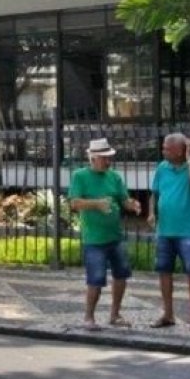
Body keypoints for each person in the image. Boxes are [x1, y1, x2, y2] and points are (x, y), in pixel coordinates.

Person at [68, 137, 142, 330]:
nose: (108, 162)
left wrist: (132, 204)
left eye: (109, 158)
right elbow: (74, 203)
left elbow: (123, 199)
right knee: (96, 279)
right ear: (93, 158)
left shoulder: (114, 177)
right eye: (104, 158)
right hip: (94, 238)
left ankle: (115, 314)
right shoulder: (80, 176)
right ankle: (88, 317)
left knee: (121, 275)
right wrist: (97, 204)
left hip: (115, 236)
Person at [148, 132, 190, 331]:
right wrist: (151, 213)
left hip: (188, 231)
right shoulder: (162, 167)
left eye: (167, 148)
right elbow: (154, 194)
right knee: (164, 272)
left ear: (180, 151)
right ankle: (168, 314)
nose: (163, 150)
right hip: (165, 230)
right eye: (163, 147)